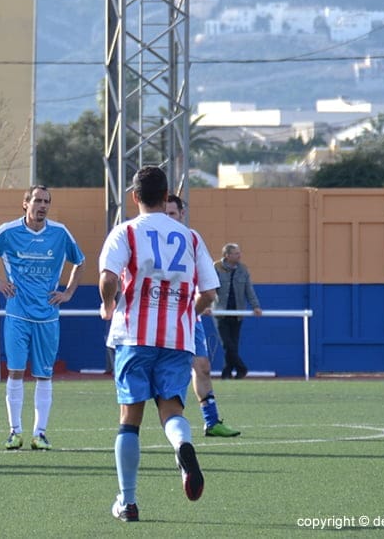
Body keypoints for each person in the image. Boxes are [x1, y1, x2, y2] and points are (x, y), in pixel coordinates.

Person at [98, 166, 219, 522]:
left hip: (135, 336)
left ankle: (128, 501)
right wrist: (186, 314)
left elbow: (108, 278)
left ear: (134, 197)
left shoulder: (126, 232)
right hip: (177, 339)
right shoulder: (191, 237)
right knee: (172, 410)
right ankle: (183, 447)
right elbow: (210, 293)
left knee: (129, 420)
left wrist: (108, 305)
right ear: (167, 197)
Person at [0, 185, 85, 451]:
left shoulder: (59, 233)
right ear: (25, 203)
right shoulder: (9, 232)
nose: (42, 205)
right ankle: (14, 432)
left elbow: (80, 261)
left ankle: (40, 433)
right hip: (18, 314)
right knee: (15, 371)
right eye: (37, 200)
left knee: (44, 375)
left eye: (46, 201)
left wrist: (68, 292)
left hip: (47, 317)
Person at [165, 195, 240, 438]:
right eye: (164, 214)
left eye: (172, 214)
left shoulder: (191, 240)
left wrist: (198, 303)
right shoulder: (149, 240)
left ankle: (211, 421)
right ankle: (135, 425)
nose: (169, 219)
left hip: (188, 317)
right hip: (159, 317)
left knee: (203, 367)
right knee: (159, 371)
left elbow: (204, 279)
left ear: (182, 214)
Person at [214, 242, 262, 379]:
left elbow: (249, 290)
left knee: (233, 345)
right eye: (236, 253)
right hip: (220, 313)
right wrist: (207, 305)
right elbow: (209, 288)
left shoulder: (243, 269)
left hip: (237, 313)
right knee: (227, 344)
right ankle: (242, 368)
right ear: (227, 255)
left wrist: (255, 306)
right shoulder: (216, 268)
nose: (239, 255)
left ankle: (226, 373)